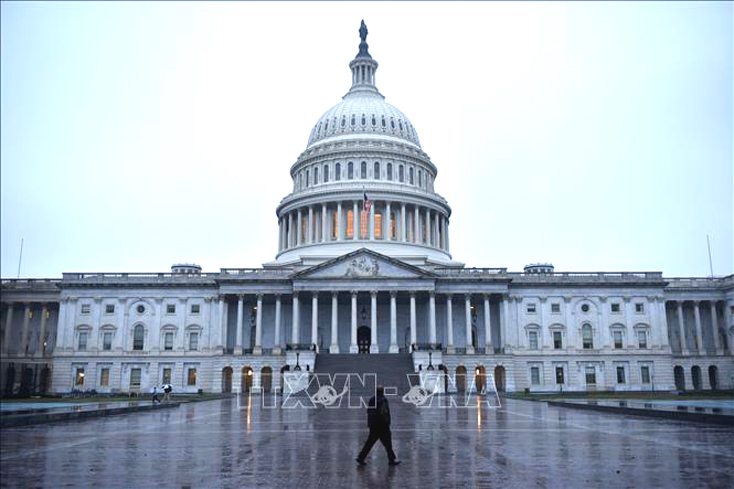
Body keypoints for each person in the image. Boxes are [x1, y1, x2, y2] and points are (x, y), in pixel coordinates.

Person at [356, 387, 400, 466]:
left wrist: (370, 423)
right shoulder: (383, 400)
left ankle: (361, 457)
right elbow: (384, 412)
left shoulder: (372, 399)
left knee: (370, 443)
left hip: (373, 425)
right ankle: (391, 460)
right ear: (382, 392)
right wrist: (387, 422)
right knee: (387, 443)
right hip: (382, 426)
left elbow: (369, 411)